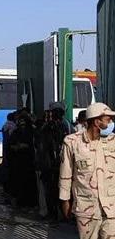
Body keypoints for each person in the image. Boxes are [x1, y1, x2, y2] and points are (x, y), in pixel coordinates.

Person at [60, 102, 115, 239]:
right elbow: (65, 174)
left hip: (111, 207)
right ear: (97, 122)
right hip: (87, 209)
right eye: (108, 120)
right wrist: (65, 201)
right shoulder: (72, 142)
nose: (111, 123)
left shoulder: (112, 141)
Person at [9, 111, 38, 208]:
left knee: (29, 183)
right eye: (20, 121)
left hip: (29, 160)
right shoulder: (15, 132)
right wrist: (16, 147)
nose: (21, 123)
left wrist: (25, 146)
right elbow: (10, 145)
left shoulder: (32, 131)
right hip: (18, 161)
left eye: (23, 121)